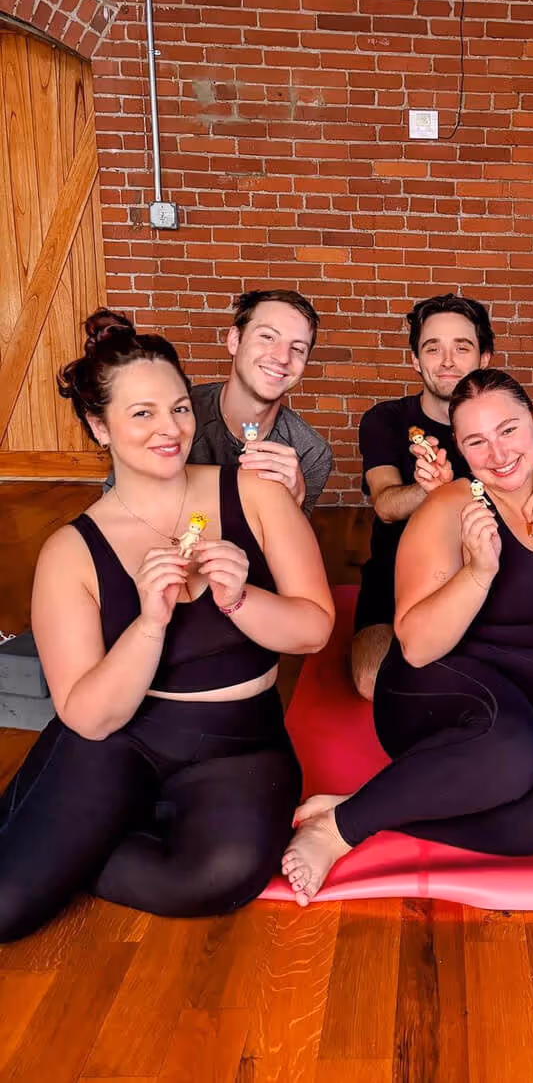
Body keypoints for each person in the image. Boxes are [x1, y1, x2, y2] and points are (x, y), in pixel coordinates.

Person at [0, 310, 335, 942]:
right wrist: (150, 622)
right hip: (124, 736)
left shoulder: (254, 495)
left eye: (179, 409)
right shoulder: (69, 552)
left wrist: (239, 599)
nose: (170, 430)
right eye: (142, 414)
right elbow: (91, 716)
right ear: (100, 427)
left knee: (222, 875)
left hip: (241, 744)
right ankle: (69, 829)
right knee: (7, 907)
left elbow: (315, 630)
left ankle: (80, 837)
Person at [281, 368, 533, 905]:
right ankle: (338, 830)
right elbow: (416, 646)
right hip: (430, 694)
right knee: (513, 749)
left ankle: (377, 807)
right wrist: (477, 574)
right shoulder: (448, 507)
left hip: (520, 712)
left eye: (508, 430)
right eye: (476, 441)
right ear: (459, 447)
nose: (498, 453)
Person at [351, 293, 533, 699]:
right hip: (398, 580)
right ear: (416, 360)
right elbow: (384, 505)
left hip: (490, 581)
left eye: (462, 347)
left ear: (485, 357)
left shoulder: (495, 418)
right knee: (372, 679)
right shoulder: (386, 419)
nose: (447, 360)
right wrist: (430, 492)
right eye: (432, 348)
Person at [106, 289, 332, 515]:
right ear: (234, 340)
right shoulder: (170, 417)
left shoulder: (310, 453)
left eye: (297, 349)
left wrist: (294, 505)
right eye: (267, 337)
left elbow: (288, 548)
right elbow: (112, 515)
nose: (283, 357)